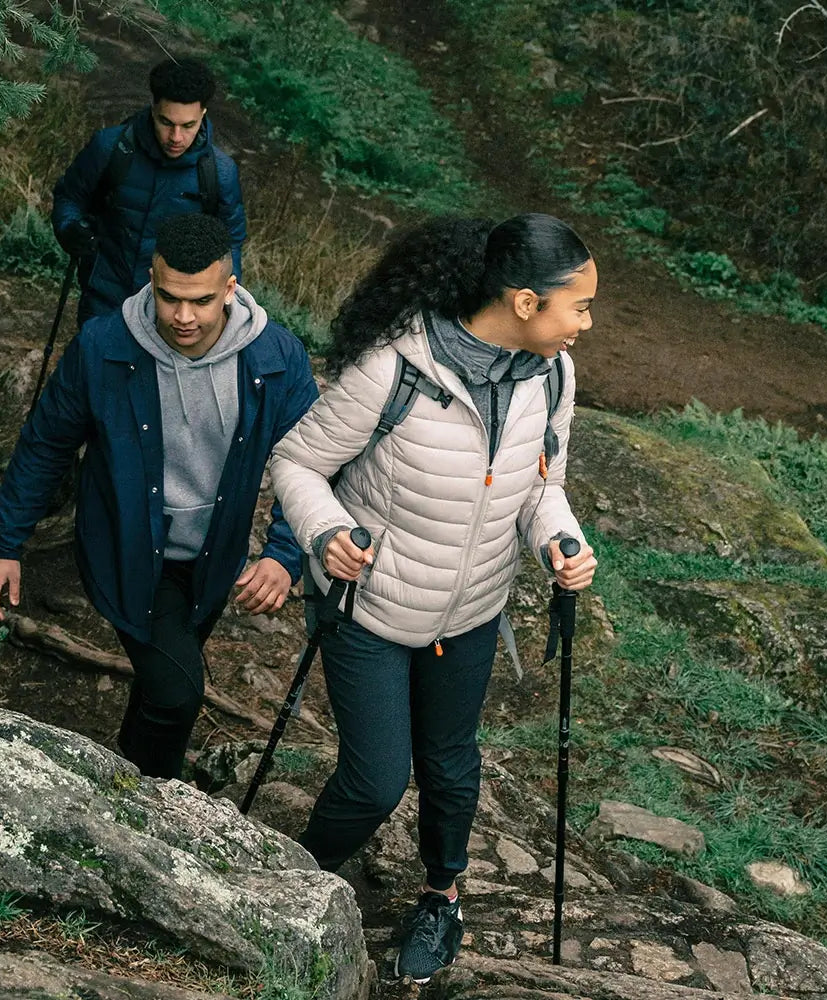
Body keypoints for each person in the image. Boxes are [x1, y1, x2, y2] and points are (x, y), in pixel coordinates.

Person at [268, 213, 600, 984]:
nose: (585, 324)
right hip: (372, 611)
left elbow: (542, 485)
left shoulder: (551, 376)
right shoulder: (395, 368)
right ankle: (291, 878)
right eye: (579, 307)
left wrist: (560, 540)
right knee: (376, 782)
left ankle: (441, 899)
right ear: (524, 302)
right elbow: (297, 462)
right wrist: (326, 532)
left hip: (471, 613)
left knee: (451, 768)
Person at [0, 213, 317, 780]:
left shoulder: (276, 357)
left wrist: (285, 555)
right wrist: (5, 543)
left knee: (162, 683)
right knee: (177, 694)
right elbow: (46, 444)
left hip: (213, 557)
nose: (183, 317)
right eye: (169, 298)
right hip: (129, 548)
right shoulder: (103, 346)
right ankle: (154, 804)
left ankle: (123, 780)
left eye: (201, 301)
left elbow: (311, 459)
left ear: (229, 289)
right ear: (151, 279)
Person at [52, 57, 247, 325]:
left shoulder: (219, 173)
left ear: (203, 114)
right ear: (153, 108)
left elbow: (230, 243)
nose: (175, 137)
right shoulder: (110, 148)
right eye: (166, 122)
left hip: (172, 311)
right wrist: (69, 228)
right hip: (104, 297)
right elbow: (69, 197)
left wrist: (225, 306)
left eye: (187, 126)